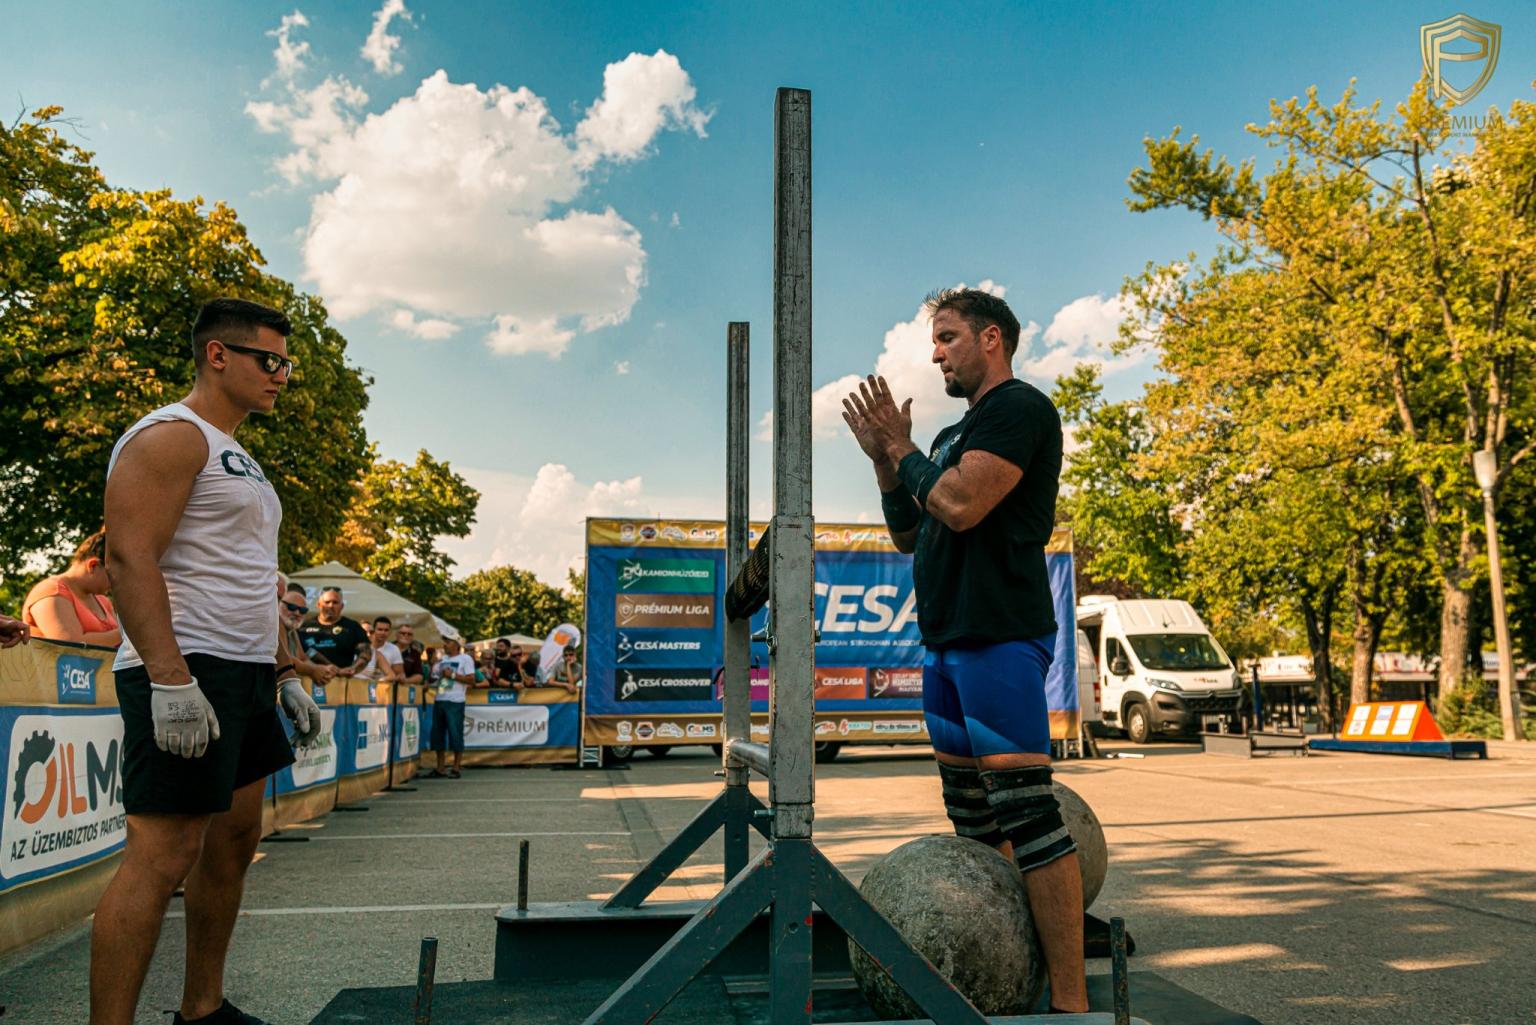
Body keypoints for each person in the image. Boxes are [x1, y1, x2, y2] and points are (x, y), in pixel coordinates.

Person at [841, 287, 1086, 1014]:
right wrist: (885, 463)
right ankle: (1009, 973)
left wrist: (903, 447)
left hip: (1000, 636)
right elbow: (909, 533)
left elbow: (958, 505)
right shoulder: (953, 435)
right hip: (946, 642)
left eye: (947, 337)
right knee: (973, 820)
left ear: (991, 339)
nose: (936, 353)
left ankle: (1071, 1004)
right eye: (934, 340)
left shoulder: (1020, 409)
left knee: (1028, 816)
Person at [93, 296, 322, 1025]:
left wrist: (284, 672)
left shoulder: (241, 457)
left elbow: (252, 578)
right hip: (187, 664)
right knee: (161, 856)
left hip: (244, 671)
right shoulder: (171, 435)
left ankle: (202, 1009)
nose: (281, 375)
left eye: (287, 364)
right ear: (218, 355)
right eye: (270, 359)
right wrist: (169, 677)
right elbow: (128, 558)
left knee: (235, 840)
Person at [22, 529, 122, 646]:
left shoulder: (103, 601)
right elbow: (69, 645)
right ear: (92, 565)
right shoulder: (51, 591)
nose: (117, 583)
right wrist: (127, 633)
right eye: (113, 576)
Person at [428, 636, 477, 778]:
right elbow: (437, 680)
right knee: (438, 735)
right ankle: (440, 768)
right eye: (444, 642)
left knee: (455, 734)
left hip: (455, 701)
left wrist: (453, 675)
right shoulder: (442, 660)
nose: (445, 645)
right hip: (440, 699)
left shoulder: (465, 659)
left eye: (448, 642)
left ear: (457, 644)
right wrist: (432, 672)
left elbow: (472, 680)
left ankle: (456, 768)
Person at [296, 586, 370, 675]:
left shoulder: (353, 627)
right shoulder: (304, 626)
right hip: (309, 677)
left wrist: (352, 669)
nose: (331, 606)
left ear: (342, 606)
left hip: (341, 679)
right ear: (318, 604)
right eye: (327, 602)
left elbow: (366, 654)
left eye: (335, 602)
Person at [277, 580, 336, 684]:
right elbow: (285, 659)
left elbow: (303, 658)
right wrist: (312, 670)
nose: (297, 613)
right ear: (279, 604)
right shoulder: (277, 624)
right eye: (291, 607)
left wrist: (323, 670)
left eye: (302, 610)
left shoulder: (292, 631)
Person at [356, 616, 404, 683]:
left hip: (380, 686)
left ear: (390, 632)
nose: (383, 633)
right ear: (374, 630)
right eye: (380, 629)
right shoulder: (356, 648)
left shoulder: (393, 649)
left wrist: (379, 681)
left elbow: (398, 674)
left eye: (386, 630)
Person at [394, 623, 425, 688]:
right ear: (396, 634)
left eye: (409, 634)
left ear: (412, 637)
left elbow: (419, 676)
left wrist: (406, 680)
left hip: (403, 689)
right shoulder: (386, 647)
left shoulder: (415, 654)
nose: (406, 635)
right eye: (403, 633)